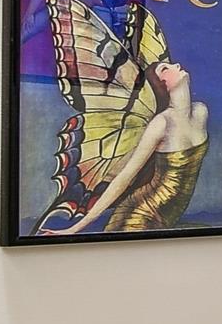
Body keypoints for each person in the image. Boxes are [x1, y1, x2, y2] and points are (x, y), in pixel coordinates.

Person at [38, 58, 209, 234]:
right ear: (162, 84)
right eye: (165, 68)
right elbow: (123, 178)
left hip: (168, 218)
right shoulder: (162, 124)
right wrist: (73, 229)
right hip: (139, 216)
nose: (177, 65)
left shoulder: (201, 112)